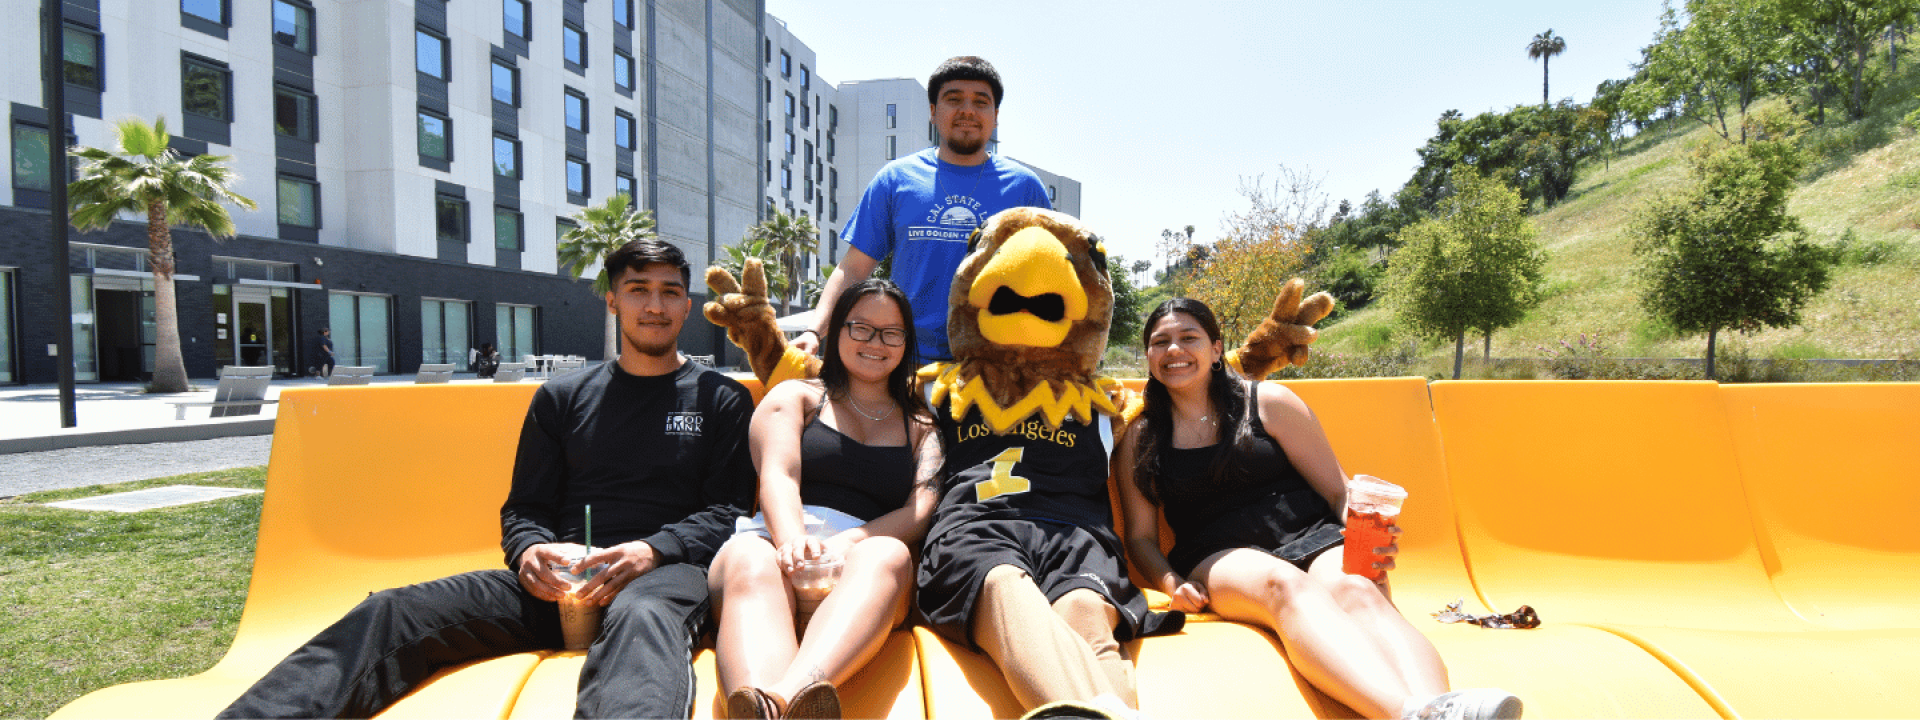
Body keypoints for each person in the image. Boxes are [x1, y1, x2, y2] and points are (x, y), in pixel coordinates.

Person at [218, 239, 758, 719]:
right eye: (638, 289)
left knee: (642, 618)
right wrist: (530, 554)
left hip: (662, 579)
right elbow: (524, 508)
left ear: (687, 306)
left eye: (669, 292)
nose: (655, 306)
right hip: (561, 585)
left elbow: (730, 514)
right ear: (613, 300)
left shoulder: (721, 399)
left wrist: (651, 550)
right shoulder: (562, 398)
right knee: (394, 609)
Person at [1114, 298, 1522, 720]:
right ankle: (1409, 713)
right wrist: (1170, 581)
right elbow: (1141, 537)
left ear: (1216, 349)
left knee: (1357, 590)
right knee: (1284, 584)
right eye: (1160, 342)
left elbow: (1337, 491)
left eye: (1189, 338)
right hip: (1217, 554)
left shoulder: (1269, 403)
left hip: (1312, 532)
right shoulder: (1142, 435)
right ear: (1148, 356)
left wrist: (1366, 527)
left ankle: (1440, 710)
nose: (1174, 351)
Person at [708, 279, 943, 720]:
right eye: (861, 328)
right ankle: (774, 702)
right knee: (750, 558)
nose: (876, 342)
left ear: (907, 343)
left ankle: (776, 701)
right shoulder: (796, 397)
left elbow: (920, 509)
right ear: (835, 332)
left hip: (864, 566)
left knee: (888, 553)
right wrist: (792, 540)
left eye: (892, 333)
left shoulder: (921, 424)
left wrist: (846, 544)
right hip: (776, 543)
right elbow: (778, 474)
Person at [792, 56, 1051, 364]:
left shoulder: (1025, 187)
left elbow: (1049, 275)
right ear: (932, 112)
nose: (967, 110)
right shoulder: (896, 179)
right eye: (953, 99)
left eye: (980, 102)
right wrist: (813, 332)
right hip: (904, 363)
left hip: (997, 367)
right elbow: (854, 268)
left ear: (995, 116)